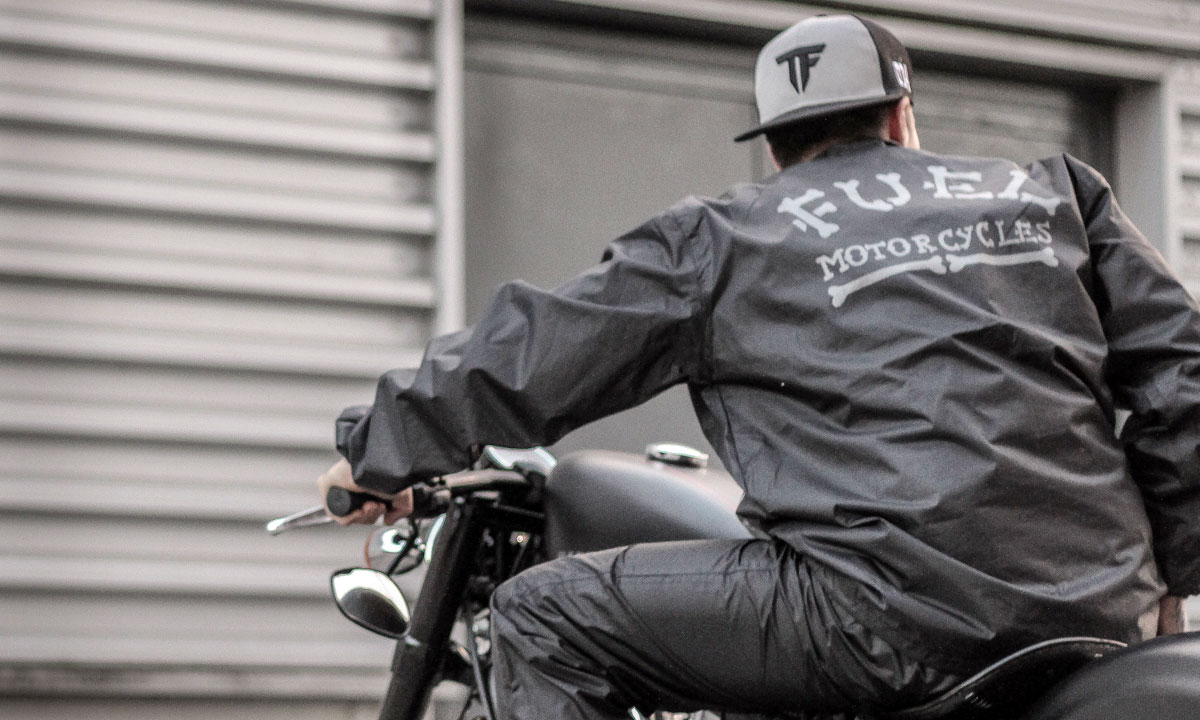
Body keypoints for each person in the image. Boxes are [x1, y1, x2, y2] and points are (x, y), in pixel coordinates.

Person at [317, 13, 1200, 719]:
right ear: (903, 116)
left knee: (539, 616)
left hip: (887, 620)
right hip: (1095, 615)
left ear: (775, 146)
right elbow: (1184, 381)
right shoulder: (1059, 195)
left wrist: (377, 452)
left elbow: (538, 349)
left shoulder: (726, 236)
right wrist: (1170, 573)